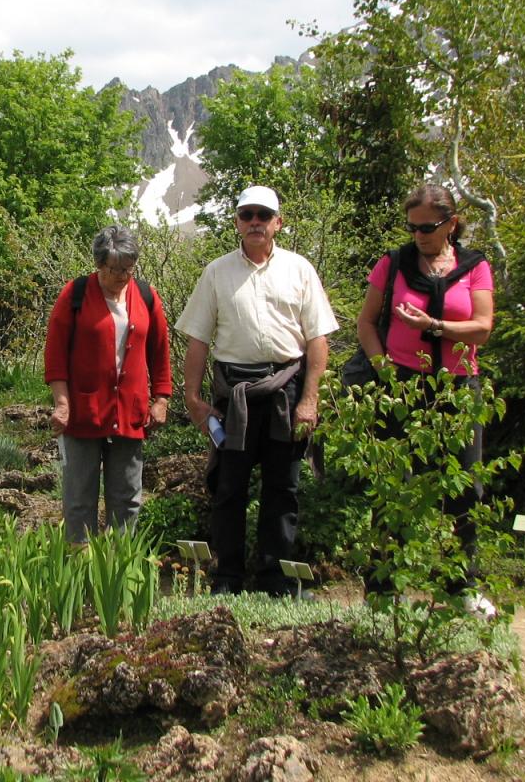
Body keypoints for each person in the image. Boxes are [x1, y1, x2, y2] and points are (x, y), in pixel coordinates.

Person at [177, 185, 339, 596]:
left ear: (277, 223)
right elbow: (197, 339)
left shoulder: (300, 269)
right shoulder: (216, 272)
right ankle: (227, 577)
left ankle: (277, 579)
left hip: (287, 391)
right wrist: (193, 400)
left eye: (263, 216)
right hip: (235, 394)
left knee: (283, 487)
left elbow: (318, 338)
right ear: (236, 222)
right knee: (229, 486)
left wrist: (310, 399)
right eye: (247, 214)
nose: (254, 222)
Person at [355, 182, 496, 616]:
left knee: (464, 486)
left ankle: (460, 586)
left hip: (457, 386)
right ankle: (383, 588)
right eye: (412, 227)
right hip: (400, 385)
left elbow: (483, 327)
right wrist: (382, 370)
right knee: (393, 484)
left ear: (451, 224)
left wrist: (435, 325)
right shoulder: (393, 264)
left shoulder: (475, 266)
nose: (419, 235)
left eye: (428, 227)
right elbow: (365, 323)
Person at [43, 226, 173, 544]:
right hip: (82, 415)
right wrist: (62, 403)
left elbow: (160, 350)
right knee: (79, 500)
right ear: (99, 265)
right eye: (115, 269)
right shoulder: (74, 294)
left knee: (127, 499)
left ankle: (118, 575)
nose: (122, 276)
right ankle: (79, 577)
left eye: (128, 269)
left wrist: (161, 399)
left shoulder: (145, 295)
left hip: (130, 414)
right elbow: (55, 355)